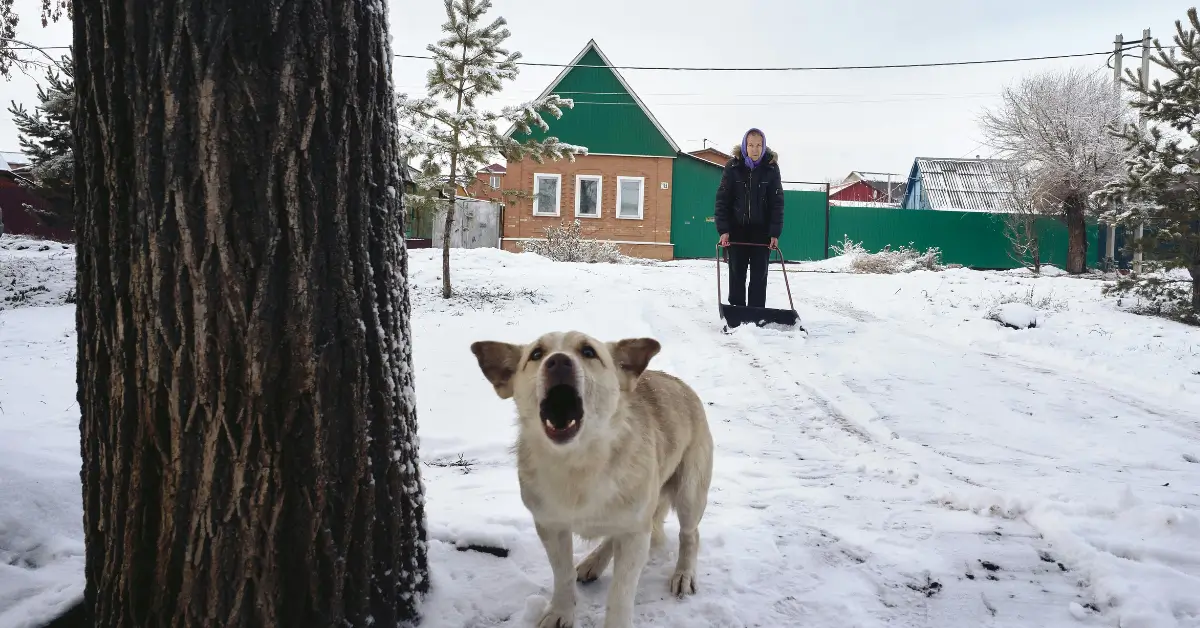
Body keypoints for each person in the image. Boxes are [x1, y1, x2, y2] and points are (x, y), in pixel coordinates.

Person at [713, 128, 784, 308]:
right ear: (745, 145)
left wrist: (774, 233)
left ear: (764, 146)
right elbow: (722, 200)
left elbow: (777, 202)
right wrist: (724, 230)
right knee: (737, 273)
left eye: (759, 145)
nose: (755, 149)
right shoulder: (733, 167)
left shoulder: (771, 168)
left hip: (762, 232)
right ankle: (736, 311)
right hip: (737, 230)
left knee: (760, 275)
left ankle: (756, 311)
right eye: (751, 145)